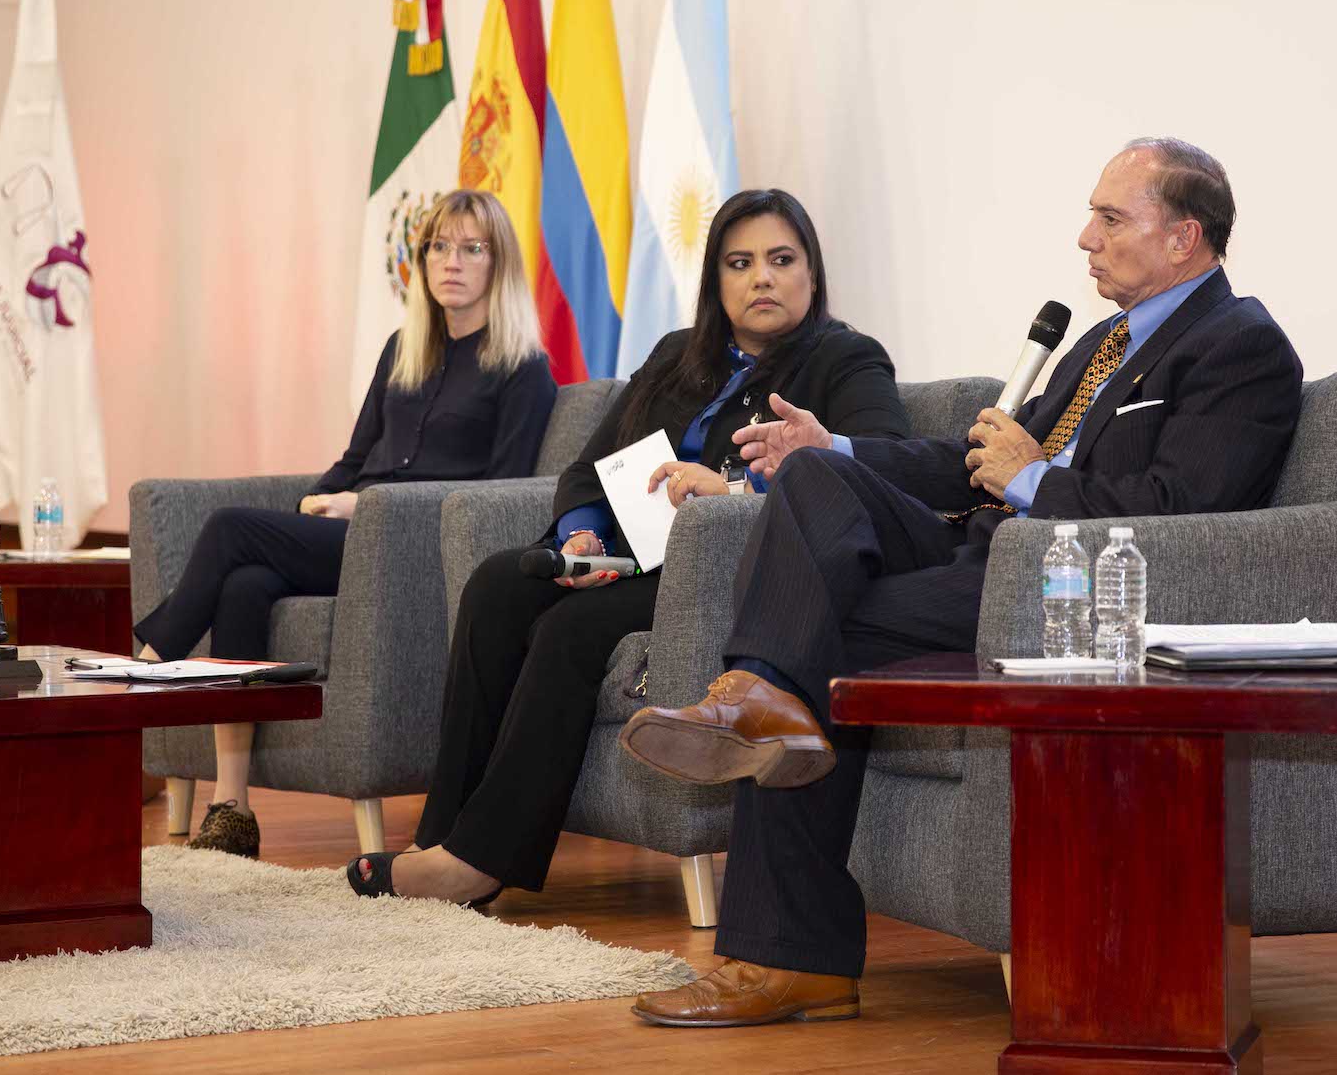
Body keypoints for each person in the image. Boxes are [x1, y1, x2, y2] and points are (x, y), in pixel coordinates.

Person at [617, 137, 1304, 1025]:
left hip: (1064, 590)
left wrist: (1032, 480)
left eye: (1109, 217)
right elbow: (975, 460)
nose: (1085, 238)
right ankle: (755, 699)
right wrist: (837, 446)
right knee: (815, 480)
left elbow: (1181, 511)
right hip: (981, 558)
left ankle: (787, 949)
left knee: (811, 643)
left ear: (1184, 238)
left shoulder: (1240, 346)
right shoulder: (1105, 339)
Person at [346, 188, 913, 906]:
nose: (761, 278)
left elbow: (881, 465)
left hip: (731, 573)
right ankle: (443, 832)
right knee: (496, 585)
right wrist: (582, 532)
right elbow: (589, 466)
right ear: (716, 281)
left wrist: (735, 492)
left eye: (781, 259)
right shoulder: (682, 355)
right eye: (740, 263)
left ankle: (478, 863)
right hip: (634, 558)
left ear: (812, 273)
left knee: (569, 627)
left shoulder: (845, 359)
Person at [134, 189, 554, 857]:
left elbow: (500, 495)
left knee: (228, 527)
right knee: (242, 583)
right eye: (439, 247)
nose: (452, 262)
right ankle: (232, 807)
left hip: (412, 545)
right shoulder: (403, 348)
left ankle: (153, 663)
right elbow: (356, 458)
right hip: (353, 531)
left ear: (498, 264)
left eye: (472, 249)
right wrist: (322, 497)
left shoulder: (523, 369)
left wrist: (364, 506)